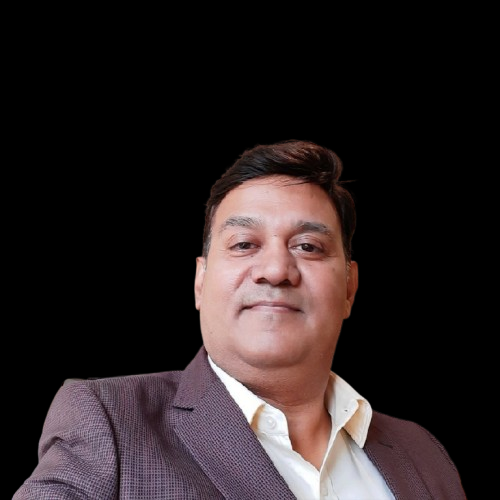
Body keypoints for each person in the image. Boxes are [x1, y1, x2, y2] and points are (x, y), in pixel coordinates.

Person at [14, 139, 466, 499]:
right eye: (244, 244)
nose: (276, 270)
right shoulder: (110, 423)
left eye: (308, 247)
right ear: (200, 281)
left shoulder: (422, 453)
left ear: (349, 288)